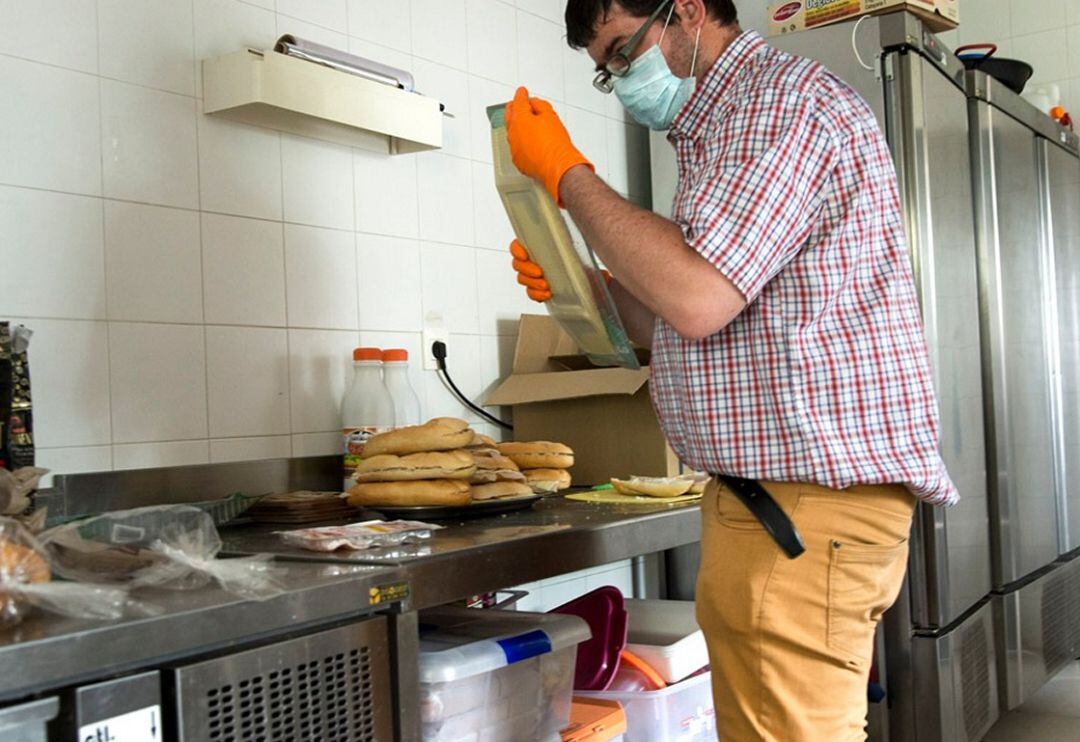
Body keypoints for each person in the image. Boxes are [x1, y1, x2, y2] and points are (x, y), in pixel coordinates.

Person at [504, 1, 958, 739]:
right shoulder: (719, 131)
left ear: (684, 10)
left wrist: (568, 175)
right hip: (777, 508)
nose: (621, 81)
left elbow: (696, 297)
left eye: (623, 52)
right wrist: (585, 288)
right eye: (606, 72)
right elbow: (689, 319)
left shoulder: (775, 104)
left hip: (804, 510)